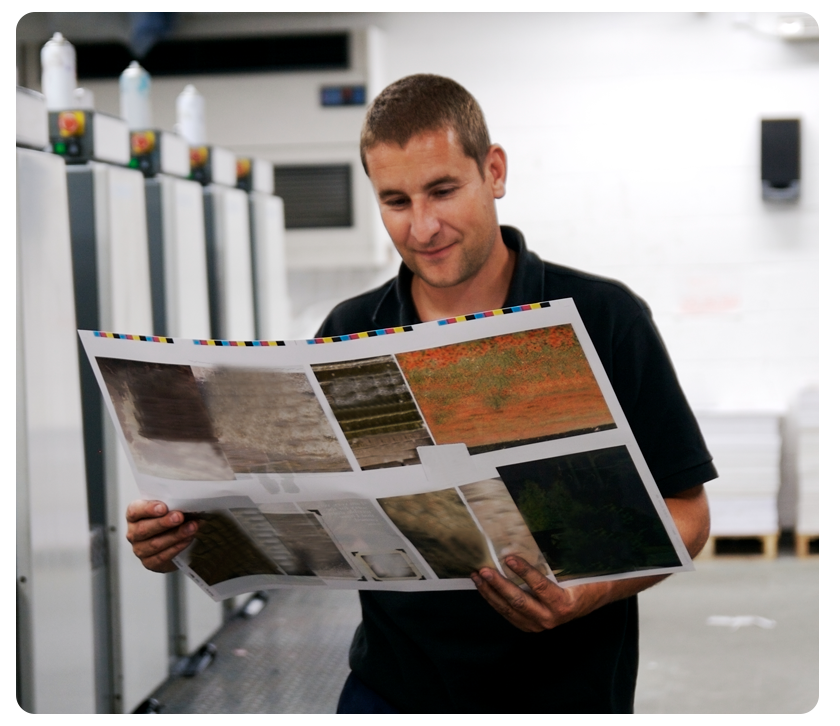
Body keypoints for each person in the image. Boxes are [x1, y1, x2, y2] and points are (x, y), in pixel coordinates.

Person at [126, 74, 714, 715]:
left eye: (442, 190)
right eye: (396, 201)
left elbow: (687, 514)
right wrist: (183, 538)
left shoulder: (604, 318)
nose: (423, 226)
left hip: (564, 692)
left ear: (493, 171)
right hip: (391, 690)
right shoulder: (350, 331)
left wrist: (588, 593)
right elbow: (294, 514)